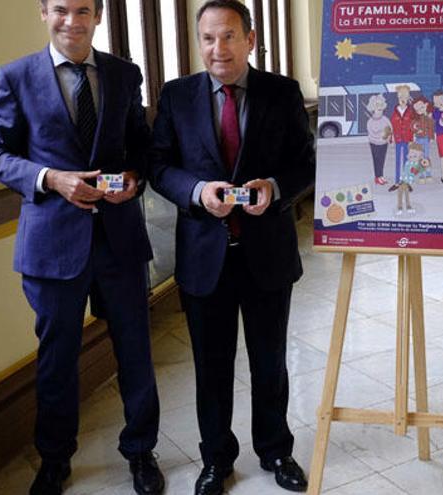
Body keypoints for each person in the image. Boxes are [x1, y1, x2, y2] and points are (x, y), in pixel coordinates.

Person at [0, 1, 163, 494]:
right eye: (61, 9)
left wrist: (133, 175)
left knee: (136, 353)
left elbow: (142, 145)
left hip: (119, 240)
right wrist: (50, 178)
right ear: (44, 13)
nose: (72, 21)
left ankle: (142, 452)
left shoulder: (125, 74)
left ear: (98, 15)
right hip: (51, 246)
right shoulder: (16, 76)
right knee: (56, 359)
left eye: (83, 9)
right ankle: (55, 460)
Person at [148, 1, 314, 493]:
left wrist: (275, 188)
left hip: (267, 253)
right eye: (207, 38)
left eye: (227, 37)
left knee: (270, 361)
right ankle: (216, 459)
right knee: (211, 366)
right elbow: (159, 166)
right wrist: (198, 192)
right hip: (204, 257)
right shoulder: (176, 96)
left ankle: (276, 451)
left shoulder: (281, 93)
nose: (217, 48)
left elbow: (304, 163)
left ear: (250, 39)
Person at [364, 93, 392, 185]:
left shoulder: (385, 119)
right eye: (376, 105)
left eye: (380, 105)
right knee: (376, 160)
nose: (379, 108)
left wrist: (388, 136)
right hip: (374, 143)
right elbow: (372, 132)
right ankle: (377, 177)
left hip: (384, 143)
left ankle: (381, 176)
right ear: (372, 108)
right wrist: (382, 134)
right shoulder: (370, 121)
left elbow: (390, 128)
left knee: (382, 159)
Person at [390, 84, 414, 183]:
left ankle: (405, 180)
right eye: (400, 97)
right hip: (398, 139)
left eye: (405, 97)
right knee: (397, 161)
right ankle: (397, 181)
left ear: (408, 98)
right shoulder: (395, 111)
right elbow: (391, 125)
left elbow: (413, 126)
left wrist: (412, 139)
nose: (402, 99)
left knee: (406, 161)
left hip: (407, 139)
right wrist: (391, 138)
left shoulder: (410, 111)